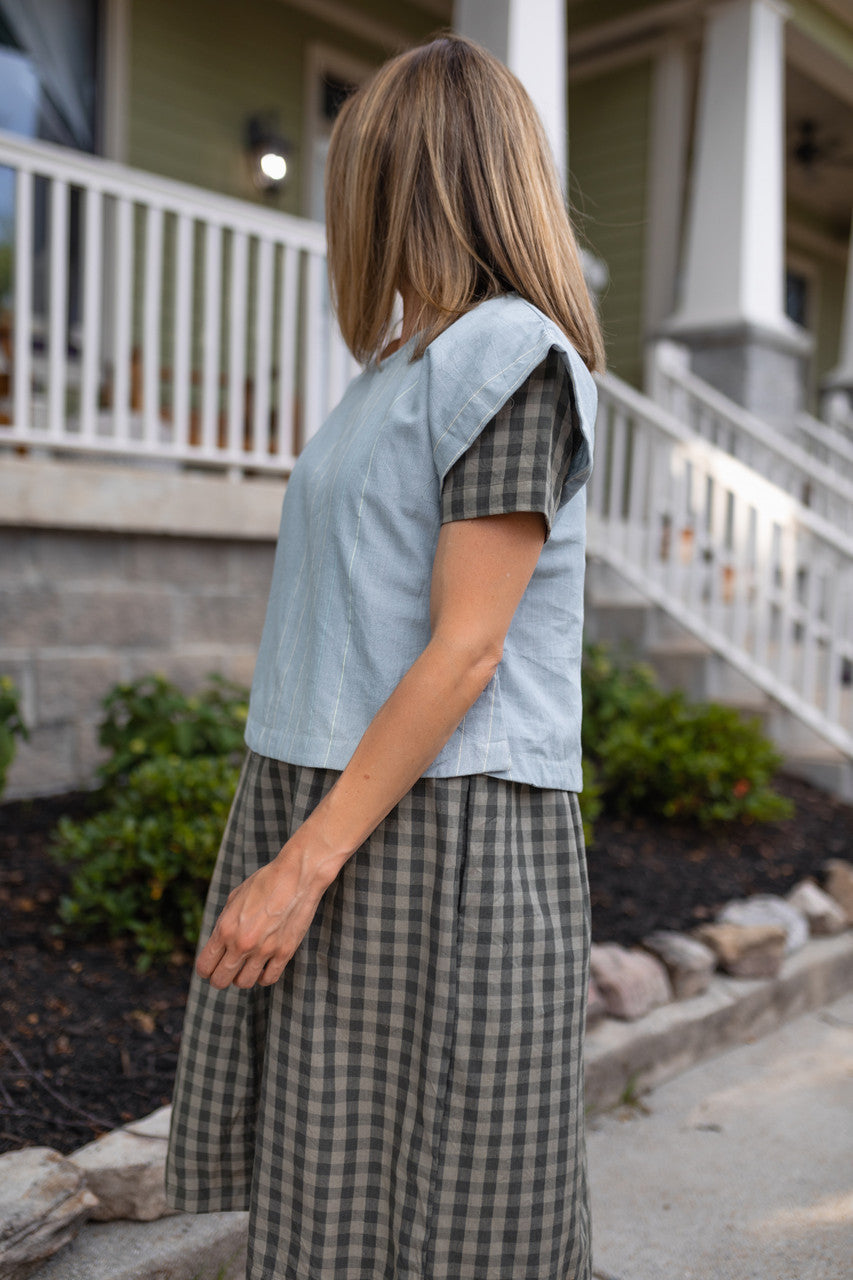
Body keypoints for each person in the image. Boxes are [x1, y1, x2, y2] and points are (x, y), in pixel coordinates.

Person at [165, 31, 605, 1280]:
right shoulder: (395, 369)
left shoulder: (509, 357)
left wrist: (300, 868)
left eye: (351, 176)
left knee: (448, 1220)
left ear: (400, 183)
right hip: (348, 794)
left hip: (443, 827)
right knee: (335, 1194)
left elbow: (468, 651)